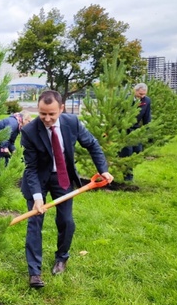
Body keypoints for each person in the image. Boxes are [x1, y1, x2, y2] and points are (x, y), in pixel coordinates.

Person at [19, 90, 113, 288]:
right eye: (43, 113)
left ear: (61, 108)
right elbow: (32, 168)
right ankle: (34, 272)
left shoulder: (72, 123)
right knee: (35, 222)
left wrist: (103, 171)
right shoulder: (29, 131)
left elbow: (92, 145)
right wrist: (37, 197)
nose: (46, 118)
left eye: (51, 114)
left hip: (62, 176)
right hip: (38, 179)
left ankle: (61, 258)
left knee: (66, 221)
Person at [119, 83, 152, 181]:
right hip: (124, 129)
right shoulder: (126, 99)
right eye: (140, 94)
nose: (142, 96)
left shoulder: (147, 101)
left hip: (136, 128)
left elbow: (147, 117)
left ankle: (118, 156)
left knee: (138, 150)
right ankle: (128, 177)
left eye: (144, 94)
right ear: (135, 91)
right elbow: (118, 115)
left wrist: (148, 131)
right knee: (127, 152)